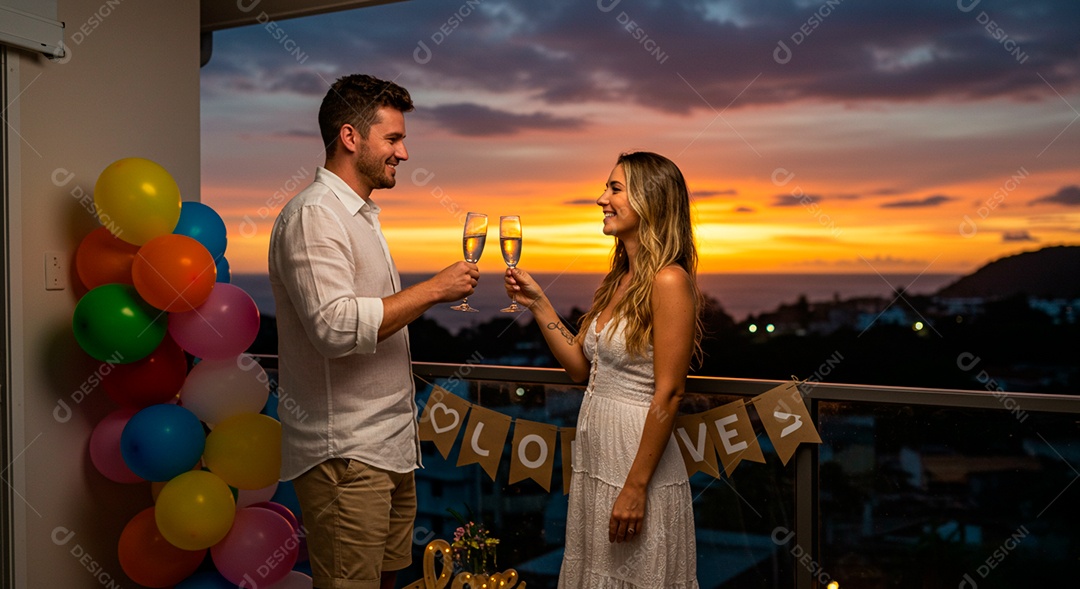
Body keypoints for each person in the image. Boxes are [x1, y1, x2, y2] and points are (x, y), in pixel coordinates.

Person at [269, 74, 479, 589]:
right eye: (393, 138)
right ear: (350, 137)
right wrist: (434, 290)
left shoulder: (359, 216)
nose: (404, 152)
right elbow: (335, 328)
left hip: (389, 449)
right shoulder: (315, 215)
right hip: (346, 456)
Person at [505, 151, 702, 587]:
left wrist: (636, 487)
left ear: (650, 200)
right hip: (598, 459)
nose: (601, 199)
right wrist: (539, 304)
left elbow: (670, 392)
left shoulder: (669, 280)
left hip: (638, 462)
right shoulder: (620, 279)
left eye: (614, 189)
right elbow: (581, 368)